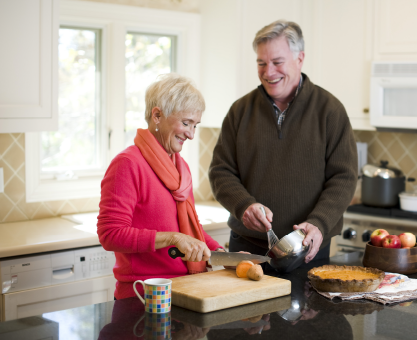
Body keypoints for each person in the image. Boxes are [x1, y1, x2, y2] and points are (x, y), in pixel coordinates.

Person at [209, 20, 357, 264]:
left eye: (277, 62)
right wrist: (244, 205)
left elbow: (344, 178)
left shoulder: (330, 110)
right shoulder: (240, 111)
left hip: (309, 248)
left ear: (300, 58)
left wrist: (319, 222)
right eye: (261, 63)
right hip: (247, 247)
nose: (268, 72)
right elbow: (220, 172)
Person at [97, 73, 223, 300]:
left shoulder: (180, 167)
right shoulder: (128, 164)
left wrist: (224, 255)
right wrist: (172, 238)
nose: (191, 135)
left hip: (186, 290)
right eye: (186, 123)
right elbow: (110, 235)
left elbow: (191, 231)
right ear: (157, 115)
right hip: (144, 295)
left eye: (195, 125)